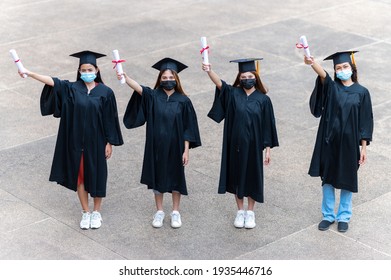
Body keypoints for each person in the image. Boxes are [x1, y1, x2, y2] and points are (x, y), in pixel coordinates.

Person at [18, 50, 124, 230]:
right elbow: (53, 82)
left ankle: (96, 212)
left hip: (97, 142)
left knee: (98, 176)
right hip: (75, 142)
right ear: (79, 71)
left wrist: (109, 142)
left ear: (97, 70)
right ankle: (86, 212)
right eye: (83, 70)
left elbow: (110, 119)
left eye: (89, 69)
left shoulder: (106, 92)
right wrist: (30, 73)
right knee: (79, 177)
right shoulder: (72, 89)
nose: (86, 72)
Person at [120, 57, 201, 229]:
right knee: (157, 178)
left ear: (176, 79)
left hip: (176, 147)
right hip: (156, 146)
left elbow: (189, 128)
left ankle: (175, 212)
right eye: (164, 78)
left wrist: (186, 150)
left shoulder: (184, 101)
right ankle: (159, 211)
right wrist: (125, 78)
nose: (168, 81)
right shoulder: (153, 96)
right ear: (160, 79)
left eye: (171, 78)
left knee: (176, 178)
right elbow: (138, 88)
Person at [202, 58, 279, 229]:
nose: (247, 79)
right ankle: (240, 211)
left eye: (250, 76)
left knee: (252, 177)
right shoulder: (233, 94)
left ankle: (250, 212)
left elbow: (268, 125)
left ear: (256, 77)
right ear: (239, 77)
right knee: (237, 176)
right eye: (243, 76)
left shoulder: (263, 100)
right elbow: (220, 84)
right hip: (235, 145)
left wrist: (268, 150)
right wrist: (209, 70)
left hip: (254, 147)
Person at [304, 51, 374, 232]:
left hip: (350, 144)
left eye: (345, 67)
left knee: (347, 179)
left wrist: (364, 148)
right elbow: (322, 75)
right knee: (327, 178)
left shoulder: (362, 92)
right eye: (338, 68)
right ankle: (328, 215)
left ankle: (344, 216)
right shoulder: (332, 88)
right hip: (329, 141)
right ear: (335, 71)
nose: (342, 70)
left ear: (352, 68)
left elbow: (366, 121)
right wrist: (312, 62)